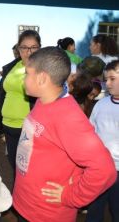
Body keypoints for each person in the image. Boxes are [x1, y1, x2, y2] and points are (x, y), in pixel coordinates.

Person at [12, 46, 116, 222]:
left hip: (46, 214)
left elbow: (104, 170)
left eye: (27, 74)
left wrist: (71, 196)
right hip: (26, 204)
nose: (23, 79)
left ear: (42, 78)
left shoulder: (68, 117)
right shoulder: (42, 101)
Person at [0, 30, 40, 173]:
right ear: (18, 49)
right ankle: (18, 194)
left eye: (33, 47)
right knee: (14, 165)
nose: (28, 51)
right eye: (24, 47)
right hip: (9, 126)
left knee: (28, 169)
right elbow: (1, 94)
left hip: (29, 129)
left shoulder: (43, 70)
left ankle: (24, 194)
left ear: (39, 48)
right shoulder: (11, 67)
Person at [86, 60, 119, 222]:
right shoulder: (100, 104)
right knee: (94, 211)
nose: (107, 83)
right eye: (106, 79)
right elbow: (91, 132)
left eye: (112, 78)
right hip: (100, 170)